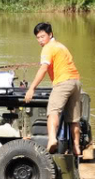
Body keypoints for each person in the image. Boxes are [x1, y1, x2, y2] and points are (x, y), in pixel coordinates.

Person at [24, 22, 82, 155]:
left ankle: (51, 139)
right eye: (38, 38)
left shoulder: (47, 48)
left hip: (63, 82)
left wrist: (32, 88)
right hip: (76, 82)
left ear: (50, 34)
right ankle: (76, 146)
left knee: (53, 111)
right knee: (74, 119)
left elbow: (43, 68)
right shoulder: (61, 46)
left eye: (42, 36)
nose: (40, 40)